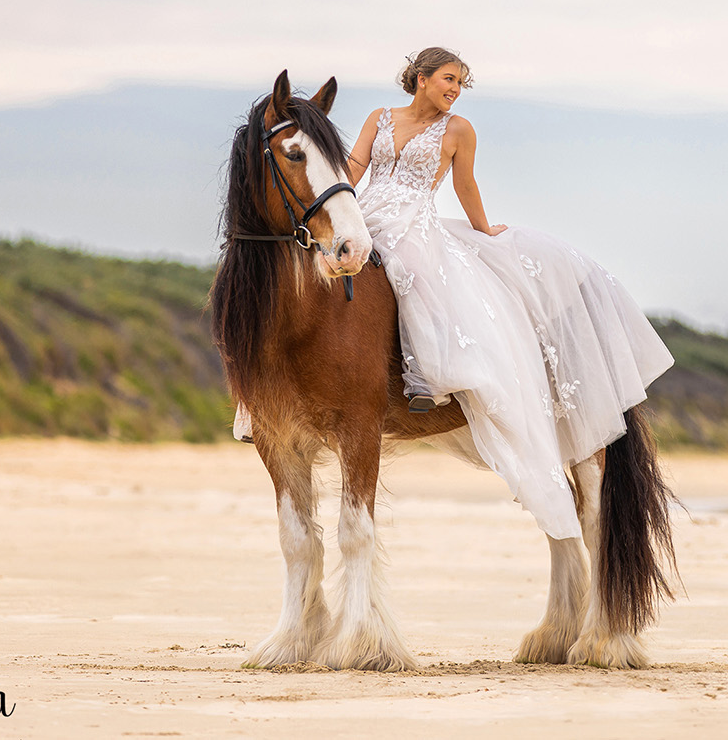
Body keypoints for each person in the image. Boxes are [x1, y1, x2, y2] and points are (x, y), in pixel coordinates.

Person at [238, 47, 674, 541]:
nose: (455, 90)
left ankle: (422, 375)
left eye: (461, 83)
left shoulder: (459, 129)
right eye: (448, 79)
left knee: (413, 276)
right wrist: (338, 208)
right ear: (420, 79)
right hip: (370, 214)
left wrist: (485, 228)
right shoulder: (380, 117)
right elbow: (354, 168)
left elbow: (465, 184)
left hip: (414, 223)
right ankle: (266, 392)